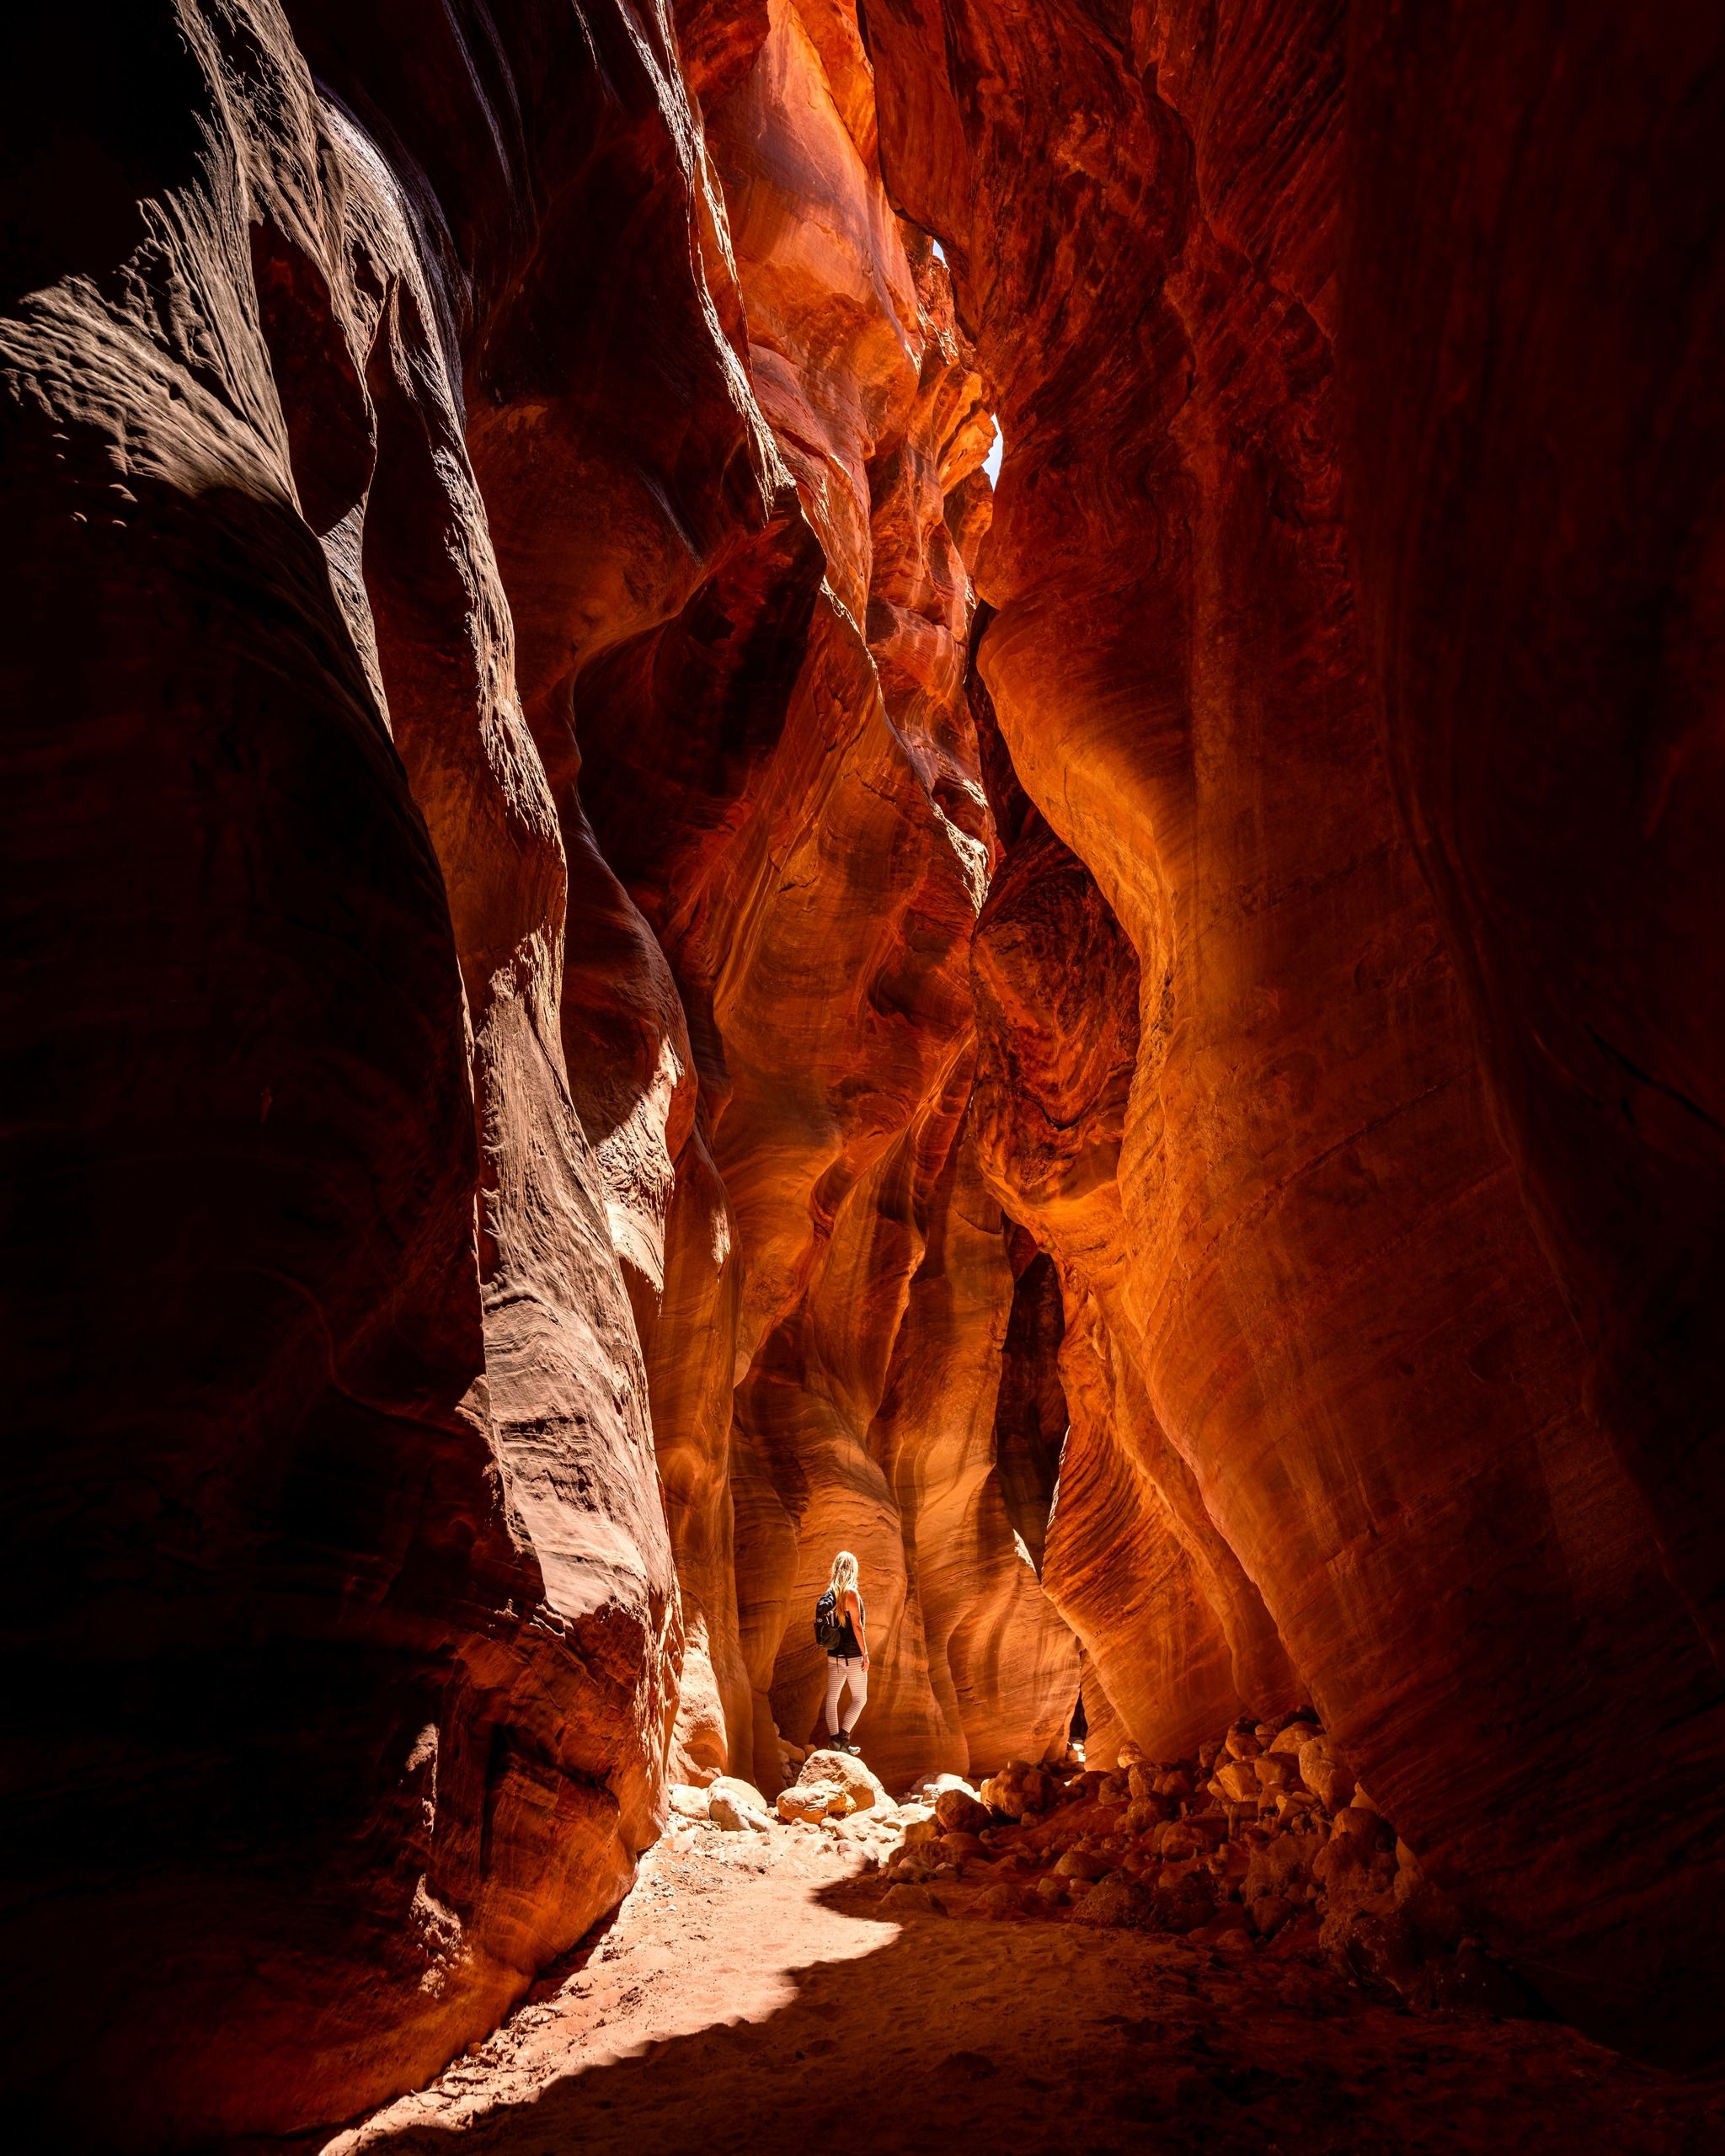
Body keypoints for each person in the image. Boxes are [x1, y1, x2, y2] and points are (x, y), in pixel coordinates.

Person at [822, 1550, 868, 1753]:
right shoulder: (850, 1593)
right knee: (860, 1699)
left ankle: (835, 1741)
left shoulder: (829, 1594)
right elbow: (857, 1626)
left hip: (834, 1656)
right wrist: (865, 1654)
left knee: (832, 1698)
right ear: (852, 1570)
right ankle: (843, 1739)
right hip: (852, 1656)